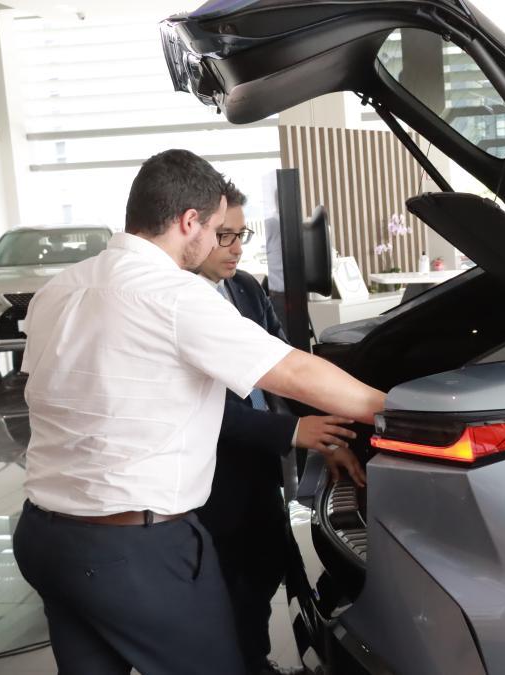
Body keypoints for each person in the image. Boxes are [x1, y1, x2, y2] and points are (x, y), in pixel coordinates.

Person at [12, 149, 386, 675]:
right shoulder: (174, 295)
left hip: (44, 537)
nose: (216, 243)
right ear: (189, 221)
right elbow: (294, 372)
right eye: (215, 229)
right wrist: (397, 410)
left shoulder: (59, 289)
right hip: (133, 550)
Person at [193, 181, 364, 675]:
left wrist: (321, 438)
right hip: (209, 485)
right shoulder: (177, 302)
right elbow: (202, 412)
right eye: (224, 236)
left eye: (241, 234)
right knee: (220, 596)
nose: (236, 248)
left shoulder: (244, 287)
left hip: (262, 473)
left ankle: (255, 661)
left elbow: (284, 370)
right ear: (194, 227)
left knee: (261, 578)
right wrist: (294, 434)